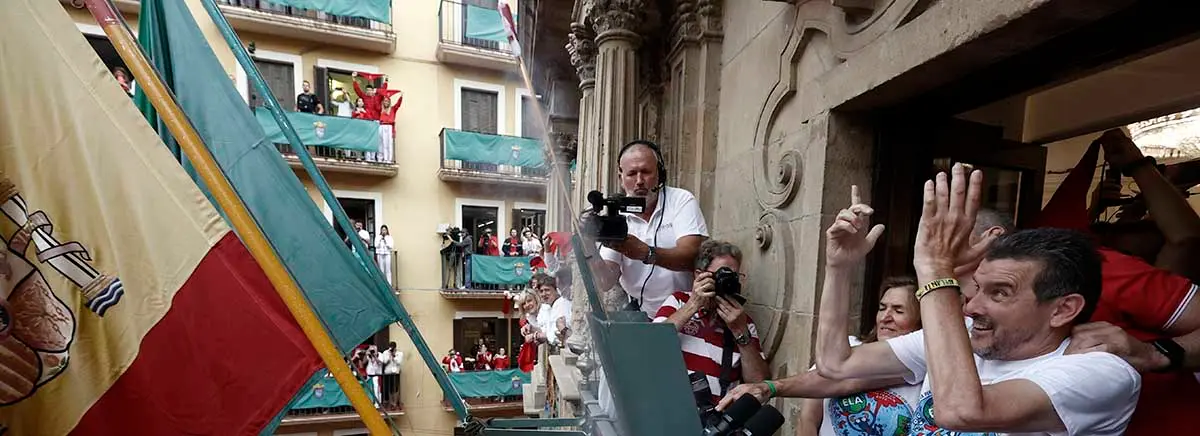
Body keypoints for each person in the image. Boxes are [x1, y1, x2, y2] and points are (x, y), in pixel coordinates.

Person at [815, 167, 1140, 435]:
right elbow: (836, 365)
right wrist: (839, 267)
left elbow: (962, 411)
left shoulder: (1102, 373)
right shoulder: (967, 333)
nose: (971, 307)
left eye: (999, 292)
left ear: (1062, 309)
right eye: (977, 289)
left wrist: (934, 269)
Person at [598, 140, 710, 318]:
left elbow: (692, 256)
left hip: (688, 312)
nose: (639, 181)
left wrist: (646, 253)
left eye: (646, 172)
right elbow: (605, 281)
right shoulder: (617, 214)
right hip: (644, 315)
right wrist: (589, 246)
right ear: (621, 178)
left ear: (660, 174)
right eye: (632, 174)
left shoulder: (681, 200)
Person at [798, 277, 921, 436]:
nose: (885, 317)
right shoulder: (847, 349)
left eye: (898, 311)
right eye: (882, 308)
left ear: (920, 322)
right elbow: (807, 418)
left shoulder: (924, 370)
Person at [654, 240, 768, 405]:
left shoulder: (742, 320)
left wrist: (740, 332)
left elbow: (759, 384)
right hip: (670, 408)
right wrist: (693, 305)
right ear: (699, 275)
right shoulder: (678, 302)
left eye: (734, 276)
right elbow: (650, 346)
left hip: (715, 419)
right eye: (723, 274)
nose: (728, 281)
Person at [534, 275, 572, 346]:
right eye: (541, 291)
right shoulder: (549, 306)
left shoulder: (563, 304)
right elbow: (545, 329)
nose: (544, 294)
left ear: (556, 290)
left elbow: (559, 335)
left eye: (547, 290)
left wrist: (538, 336)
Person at [376, 91, 402, 163]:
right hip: (381, 126)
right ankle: (381, 158)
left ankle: (388, 159)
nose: (386, 102)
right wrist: (379, 93)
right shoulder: (381, 110)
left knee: (388, 143)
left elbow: (398, 105)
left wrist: (401, 97)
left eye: (387, 101)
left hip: (389, 126)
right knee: (381, 143)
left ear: (389, 102)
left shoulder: (393, 109)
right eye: (385, 101)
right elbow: (376, 103)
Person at [379, 342, 402, 406]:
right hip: (388, 372)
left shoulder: (399, 353)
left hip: (395, 373)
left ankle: (395, 402)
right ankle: (391, 402)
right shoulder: (385, 352)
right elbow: (384, 361)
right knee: (389, 388)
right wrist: (389, 355)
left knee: (395, 388)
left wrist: (393, 356)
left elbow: (399, 362)